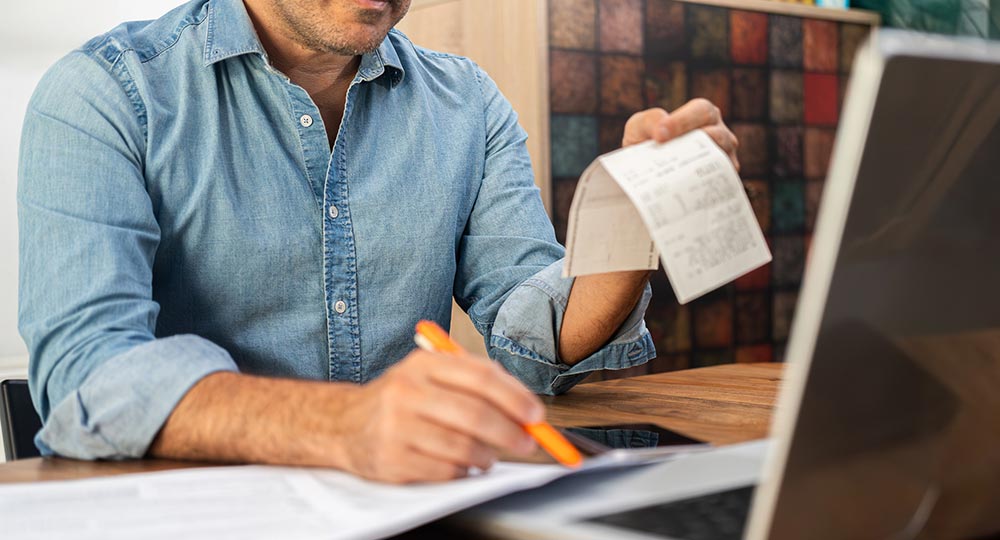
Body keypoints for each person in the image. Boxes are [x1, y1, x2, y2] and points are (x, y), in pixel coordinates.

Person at [17, 0, 738, 483]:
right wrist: (347, 424)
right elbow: (86, 375)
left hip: (416, 504)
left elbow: (532, 338)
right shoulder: (104, 94)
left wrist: (626, 227)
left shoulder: (468, 102)